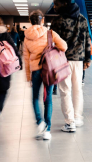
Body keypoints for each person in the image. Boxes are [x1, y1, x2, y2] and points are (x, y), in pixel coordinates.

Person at [23, 11, 67, 140]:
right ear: (42, 21)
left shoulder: (26, 37)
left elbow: (26, 59)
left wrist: (28, 77)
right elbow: (64, 46)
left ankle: (40, 122)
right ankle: (47, 130)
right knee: (47, 99)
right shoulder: (50, 33)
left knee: (35, 98)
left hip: (35, 71)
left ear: (30, 21)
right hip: (49, 70)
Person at [51, 0, 92, 132]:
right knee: (77, 89)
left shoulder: (58, 21)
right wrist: (88, 59)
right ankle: (77, 118)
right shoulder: (82, 19)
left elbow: (52, 44)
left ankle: (70, 122)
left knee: (65, 90)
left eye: (56, 3)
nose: (54, 6)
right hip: (79, 60)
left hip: (63, 61)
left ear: (65, 4)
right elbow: (87, 39)